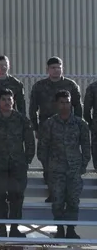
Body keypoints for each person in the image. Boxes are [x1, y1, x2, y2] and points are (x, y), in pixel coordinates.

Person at [0, 88, 34, 237]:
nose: (7, 102)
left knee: (17, 197)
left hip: (18, 166)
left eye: (9, 99)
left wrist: (26, 160)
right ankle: (2, 228)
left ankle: (15, 228)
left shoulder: (22, 119)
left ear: (13, 101)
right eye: (3, 99)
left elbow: (29, 142)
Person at [37, 90, 91, 239]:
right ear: (56, 104)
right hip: (56, 170)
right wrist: (48, 167)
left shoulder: (80, 124)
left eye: (67, 102)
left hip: (74, 170)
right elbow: (42, 148)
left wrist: (82, 165)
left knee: (73, 200)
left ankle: (71, 229)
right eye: (62, 102)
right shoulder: (50, 124)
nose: (65, 105)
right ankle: (60, 229)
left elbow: (86, 147)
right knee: (58, 201)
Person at [29, 56, 83, 201]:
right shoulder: (39, 86)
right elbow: (33, 108)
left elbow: (78, 107)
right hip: (47, 129)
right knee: (46, 160)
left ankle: (66, 193)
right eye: (53, 67)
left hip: (68, 129)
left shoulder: (71, 85)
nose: (56, 70)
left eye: (59, 67)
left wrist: (78, 127)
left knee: (67, 161)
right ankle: (53, 192)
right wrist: (35, 127)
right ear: (47, 70)